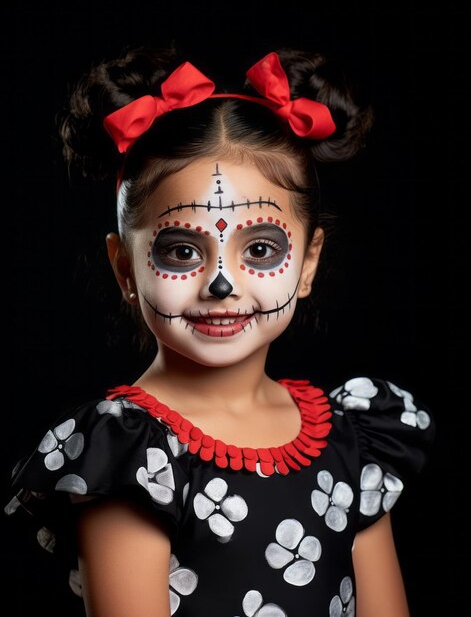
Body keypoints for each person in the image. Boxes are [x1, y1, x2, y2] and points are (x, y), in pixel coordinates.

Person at [4, 45, 434, 617]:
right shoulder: (132, 454)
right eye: (182, 251)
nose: (222, 285)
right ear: (124, 269)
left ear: (307, 264)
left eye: (260, 249)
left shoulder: (352, 439)